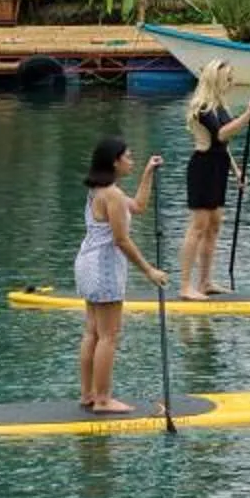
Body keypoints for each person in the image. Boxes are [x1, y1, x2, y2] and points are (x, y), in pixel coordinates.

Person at [73, 134, 168, 413]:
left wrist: (148, 173)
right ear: (115, 162)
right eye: (128, 157)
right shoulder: (111, 195)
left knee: (93, 331)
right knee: (109, 334)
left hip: (87, 262)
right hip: (103, 266)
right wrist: (149, 270)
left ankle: (88, 394)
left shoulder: (101, 190)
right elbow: (121, 240)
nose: (132, 161)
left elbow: (138, 207)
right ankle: (103, 399)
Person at [178, 63, 250, 298]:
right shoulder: (202, 107)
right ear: (216, 78)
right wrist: (247, 115)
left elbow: (224, 145)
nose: (231, 82)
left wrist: (237, 172)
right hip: (202, 167)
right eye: (228, 77)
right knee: (198, 226)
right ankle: (185, 286)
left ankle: (205, 282)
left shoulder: (221, 106)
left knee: (214, 225)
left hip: (219, 166)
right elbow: (221, 134)